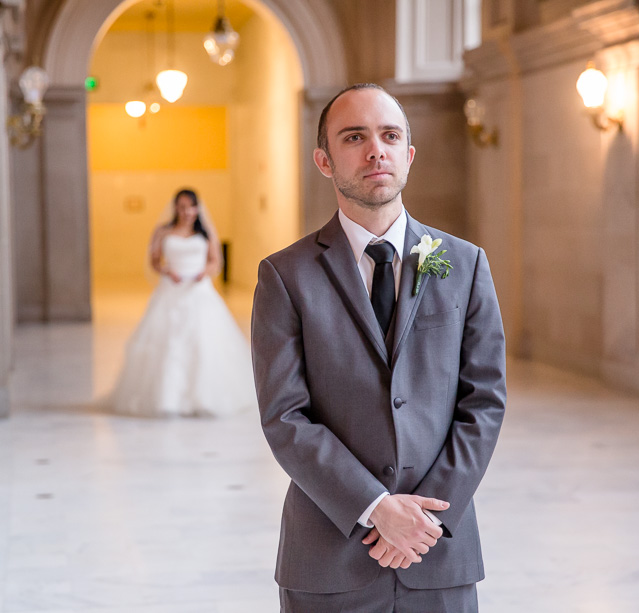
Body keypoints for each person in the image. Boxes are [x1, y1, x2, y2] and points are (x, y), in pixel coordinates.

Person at [250, 84, 506, 611]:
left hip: (437, 553)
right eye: (354, 137)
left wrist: (423, 519)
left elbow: (484, 401)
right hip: (329, 559)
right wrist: (376, 508)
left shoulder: (465, 264)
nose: (375, 151)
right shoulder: (285, 276)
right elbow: (286, 417)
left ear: (408, 154)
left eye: (390, 136)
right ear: (324, 160)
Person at [114, 188, 256, 418]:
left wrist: (204, 273)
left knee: (203, 341)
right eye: (182, 207)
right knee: (169, 342)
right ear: (175, 208)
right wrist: (166, 271)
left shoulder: (205, 233)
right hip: (171, 290)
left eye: (191, 207)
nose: (186, 212)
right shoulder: (163, 231)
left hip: (199, 291)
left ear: (197, 208)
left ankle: (204, 397)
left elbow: (214, 261)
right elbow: (154, 261)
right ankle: (168, 398)